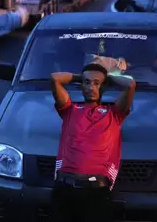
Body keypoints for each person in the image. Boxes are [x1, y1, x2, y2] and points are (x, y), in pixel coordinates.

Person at [49, 56, 136, 222]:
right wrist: (80, 77)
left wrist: (106, 77)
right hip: (64, 188)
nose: (91, 87)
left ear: (104, 86)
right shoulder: (69, 110)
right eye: (87, 83)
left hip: (97, 192)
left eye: (96, 83)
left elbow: (130, 85)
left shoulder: (114, 114)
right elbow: (55, 79)